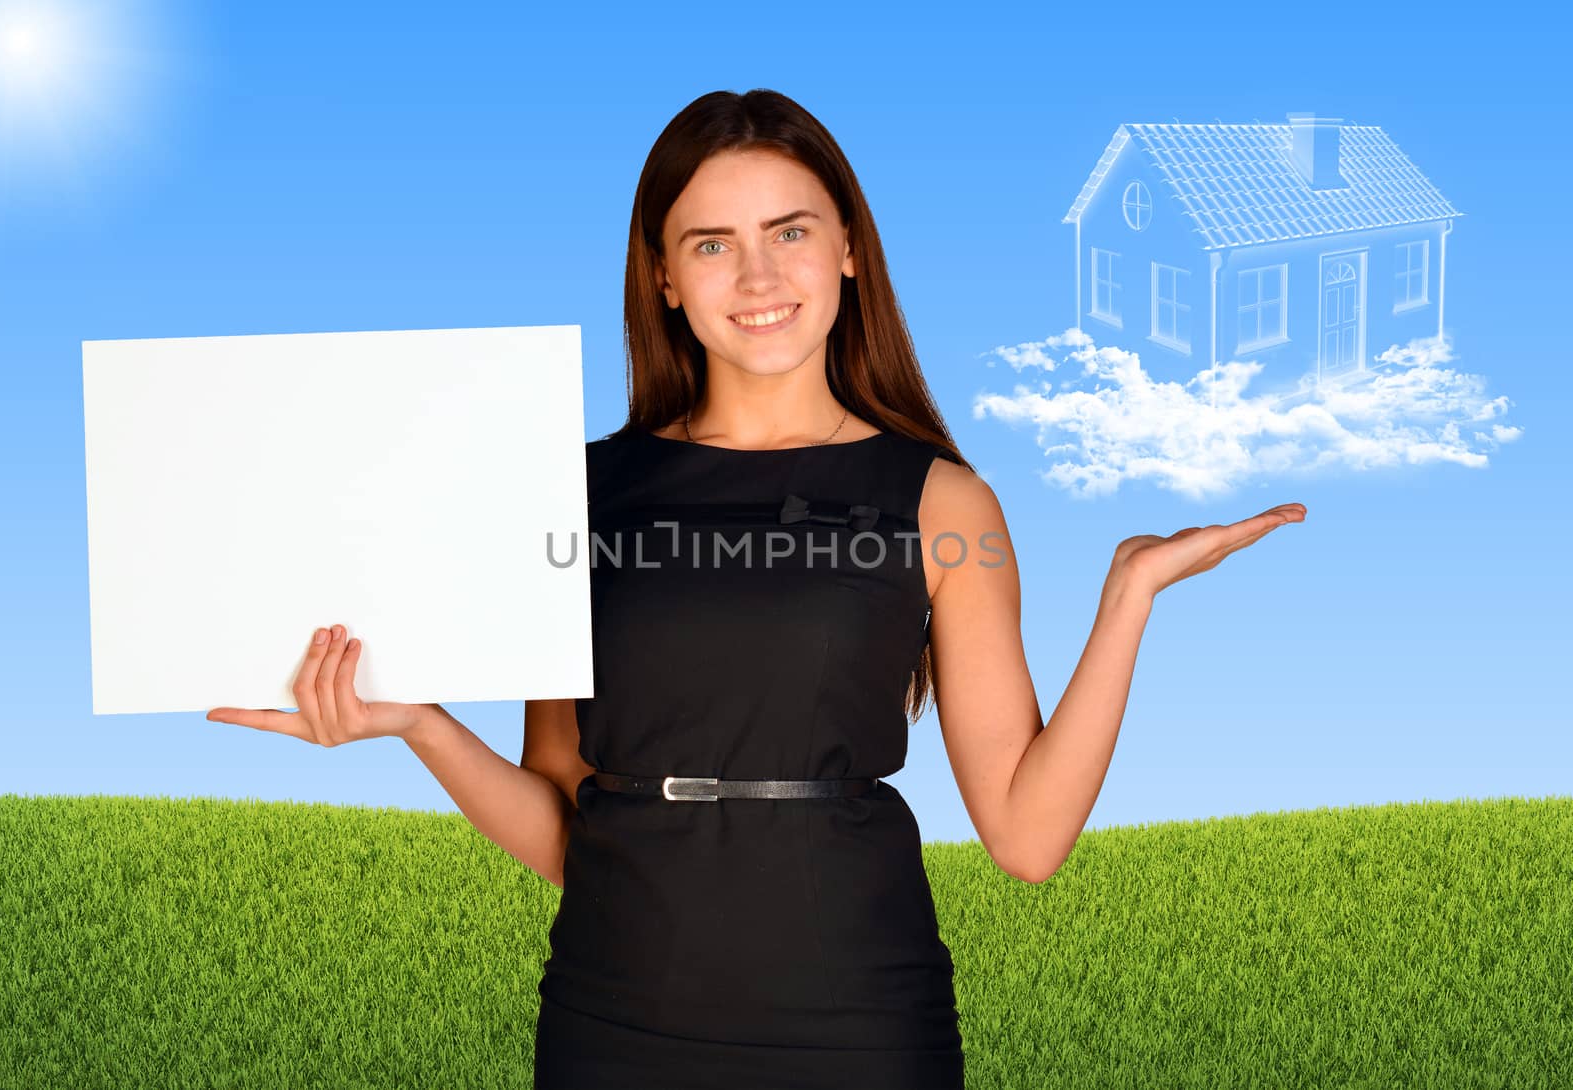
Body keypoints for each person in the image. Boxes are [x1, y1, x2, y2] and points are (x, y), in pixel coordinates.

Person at [206, 89, 1305, 1089]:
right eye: (712, 244)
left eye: (790, 232)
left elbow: (1025, 836)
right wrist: (417, 723)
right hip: (613, 1019)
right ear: (665, 278)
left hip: (859, 1020)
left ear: (849, 253)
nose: (760, 277)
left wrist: (1127, 599)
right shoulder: (572, 491)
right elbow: (563, 827)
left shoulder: (941, 503)